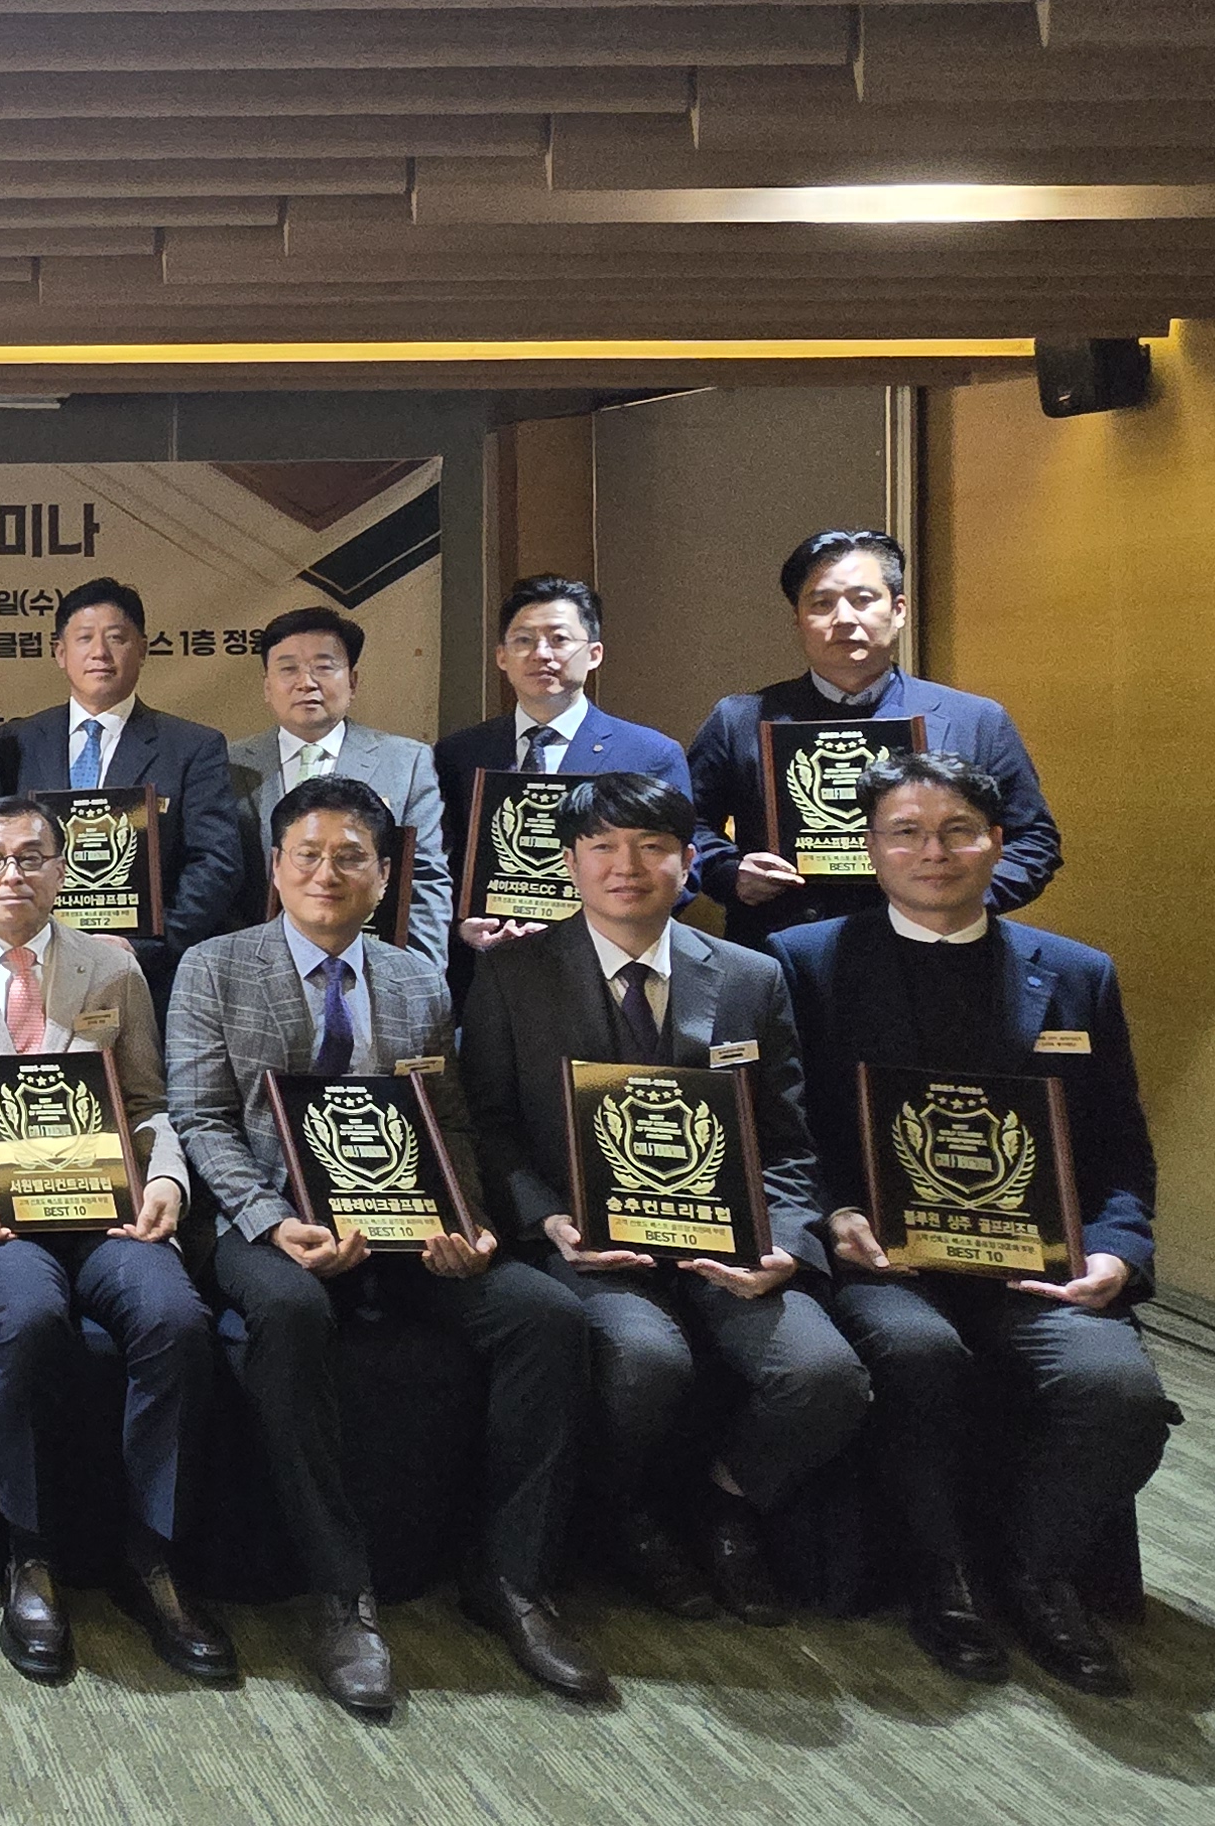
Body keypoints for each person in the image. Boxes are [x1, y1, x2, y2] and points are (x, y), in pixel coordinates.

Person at [165, 776, 605, 1717]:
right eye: (308, 856)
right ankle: (341, 1593)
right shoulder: (214, 966)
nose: (327, 874)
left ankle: (513, 1579)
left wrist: (468, 1221)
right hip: (268, 1219)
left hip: (408, 1226)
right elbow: (199, 1117)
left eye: (350, 857)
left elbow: (447, 1120)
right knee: (289, 1311)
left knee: (546, 1317)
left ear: (384, 874)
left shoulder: (417, 978)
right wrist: (268, 1218)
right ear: (275, 869)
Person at [775, 753, 1170, 1697]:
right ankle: (942, 1579)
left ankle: (1036, 1576)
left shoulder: (1077, 974)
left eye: (958, 831)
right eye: (905, 833)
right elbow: (784, 1130)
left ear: (997, 842)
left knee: (1120, 1396)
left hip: (1041, 1267)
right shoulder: (805, 962)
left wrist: (1118, 1254)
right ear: (869, 849)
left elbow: (1120, 1146)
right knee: (919, 1358)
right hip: (884, 1262)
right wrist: (832, 1214)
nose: (933, 853)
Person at [455, 771, 868, 1627]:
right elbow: (486, 1124)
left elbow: (788, 1137)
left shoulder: (753, 976)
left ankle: (724, 1506)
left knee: (823, 1377)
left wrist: (786, 1243)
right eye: (602, 846)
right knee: (647, 1363)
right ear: (570, 863)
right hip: (589, 1244)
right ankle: (629, 1517)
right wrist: (548, 1217)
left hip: (731, 1243)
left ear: (687, 861)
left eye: (651, 847)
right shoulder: (512, 975)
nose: (626, 867)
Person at [0, 792, 231, 1688]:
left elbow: (149, 1101)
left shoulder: (113, 966)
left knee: (175, 1319)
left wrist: (166, 1180)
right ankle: (29, 1554)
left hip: (109, 1209)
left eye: (32, 857)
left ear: (62, 868)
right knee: (29, 1318)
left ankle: (153, 1556)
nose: (13, 874)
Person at [683, 528, 1062, 952]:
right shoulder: (739, 719)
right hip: (781, 952)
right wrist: (730, 873)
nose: (844, 618)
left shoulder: (974, 719)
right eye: (822, 603)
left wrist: (960, 899)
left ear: (898, 610)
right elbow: (685, 825)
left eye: (863, 599)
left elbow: (1034, 841)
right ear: (798, 620)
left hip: (937, 951)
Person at [0, 577, 249, 1009]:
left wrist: (151, 944)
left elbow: (216, 861)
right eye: (84, 638)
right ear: (59, 652)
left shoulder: (192, 746)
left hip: (149, 974)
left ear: (142, 649)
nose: (100, 653)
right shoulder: (17, 742)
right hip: (32, 964)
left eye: (116, 638)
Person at [429, 575, 690, 963]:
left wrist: (594, 923)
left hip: (605, 965)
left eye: (559, 639)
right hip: (483, 966)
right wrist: (459, 923)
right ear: (501, 657)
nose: (540, 653)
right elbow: (434, 863)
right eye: (523, 640)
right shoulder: (459, 753)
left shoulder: (650, 754)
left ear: (594, 653)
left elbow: (681, 874)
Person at [225, 606, 451, 962]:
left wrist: (422, 973)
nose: (306, 682)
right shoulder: (227, 764)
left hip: (371, 965)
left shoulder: (406, 762)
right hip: (254, 966)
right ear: (267, 687)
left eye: (323, 667)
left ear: (353, 682)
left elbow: (424, 880)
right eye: (288, 669)